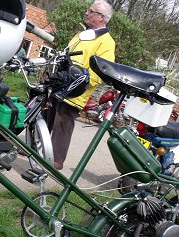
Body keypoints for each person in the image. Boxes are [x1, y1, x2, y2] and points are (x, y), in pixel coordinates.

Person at [51, 0, 116, 170]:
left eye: (90, 11)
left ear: (101, 17)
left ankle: (56, 161)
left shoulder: (107, 42)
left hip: (76, 91)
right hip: (61, 82)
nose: (86, 13)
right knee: (47, 115)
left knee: (63, 123)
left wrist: (80, 81)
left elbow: (103, 70)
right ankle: (36, 148)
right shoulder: (84, 34)